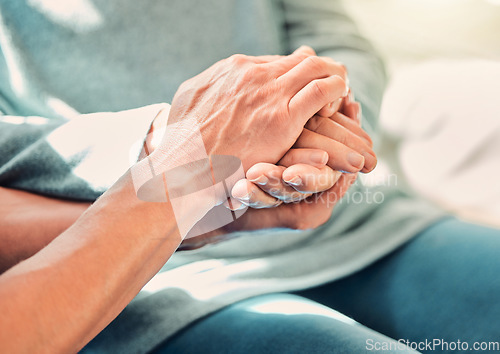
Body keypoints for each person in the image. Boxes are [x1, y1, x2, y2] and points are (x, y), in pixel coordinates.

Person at [0, 1, 499, 353]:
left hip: (352, 223)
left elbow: (336, 42)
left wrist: (322, 130)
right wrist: (175, 145)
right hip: (156, 271)